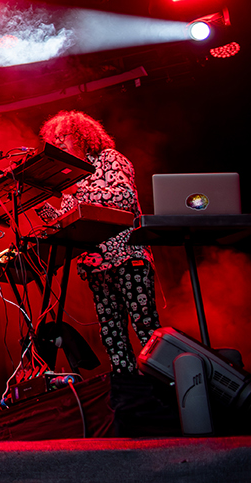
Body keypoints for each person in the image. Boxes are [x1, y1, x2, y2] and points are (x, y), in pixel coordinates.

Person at [40, 111, 160, 374]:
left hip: (127, 257)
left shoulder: (109, 159)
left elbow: (124, 197)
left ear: (83, 137)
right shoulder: (71, 176)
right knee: (112, 336)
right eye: (54, 138)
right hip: (96, 266)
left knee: (146, 328)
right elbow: (68, 220)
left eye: (63, 135)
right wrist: (41, 204)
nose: (58, 142)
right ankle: (128, 389)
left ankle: (166, 384)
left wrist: (78, 190)